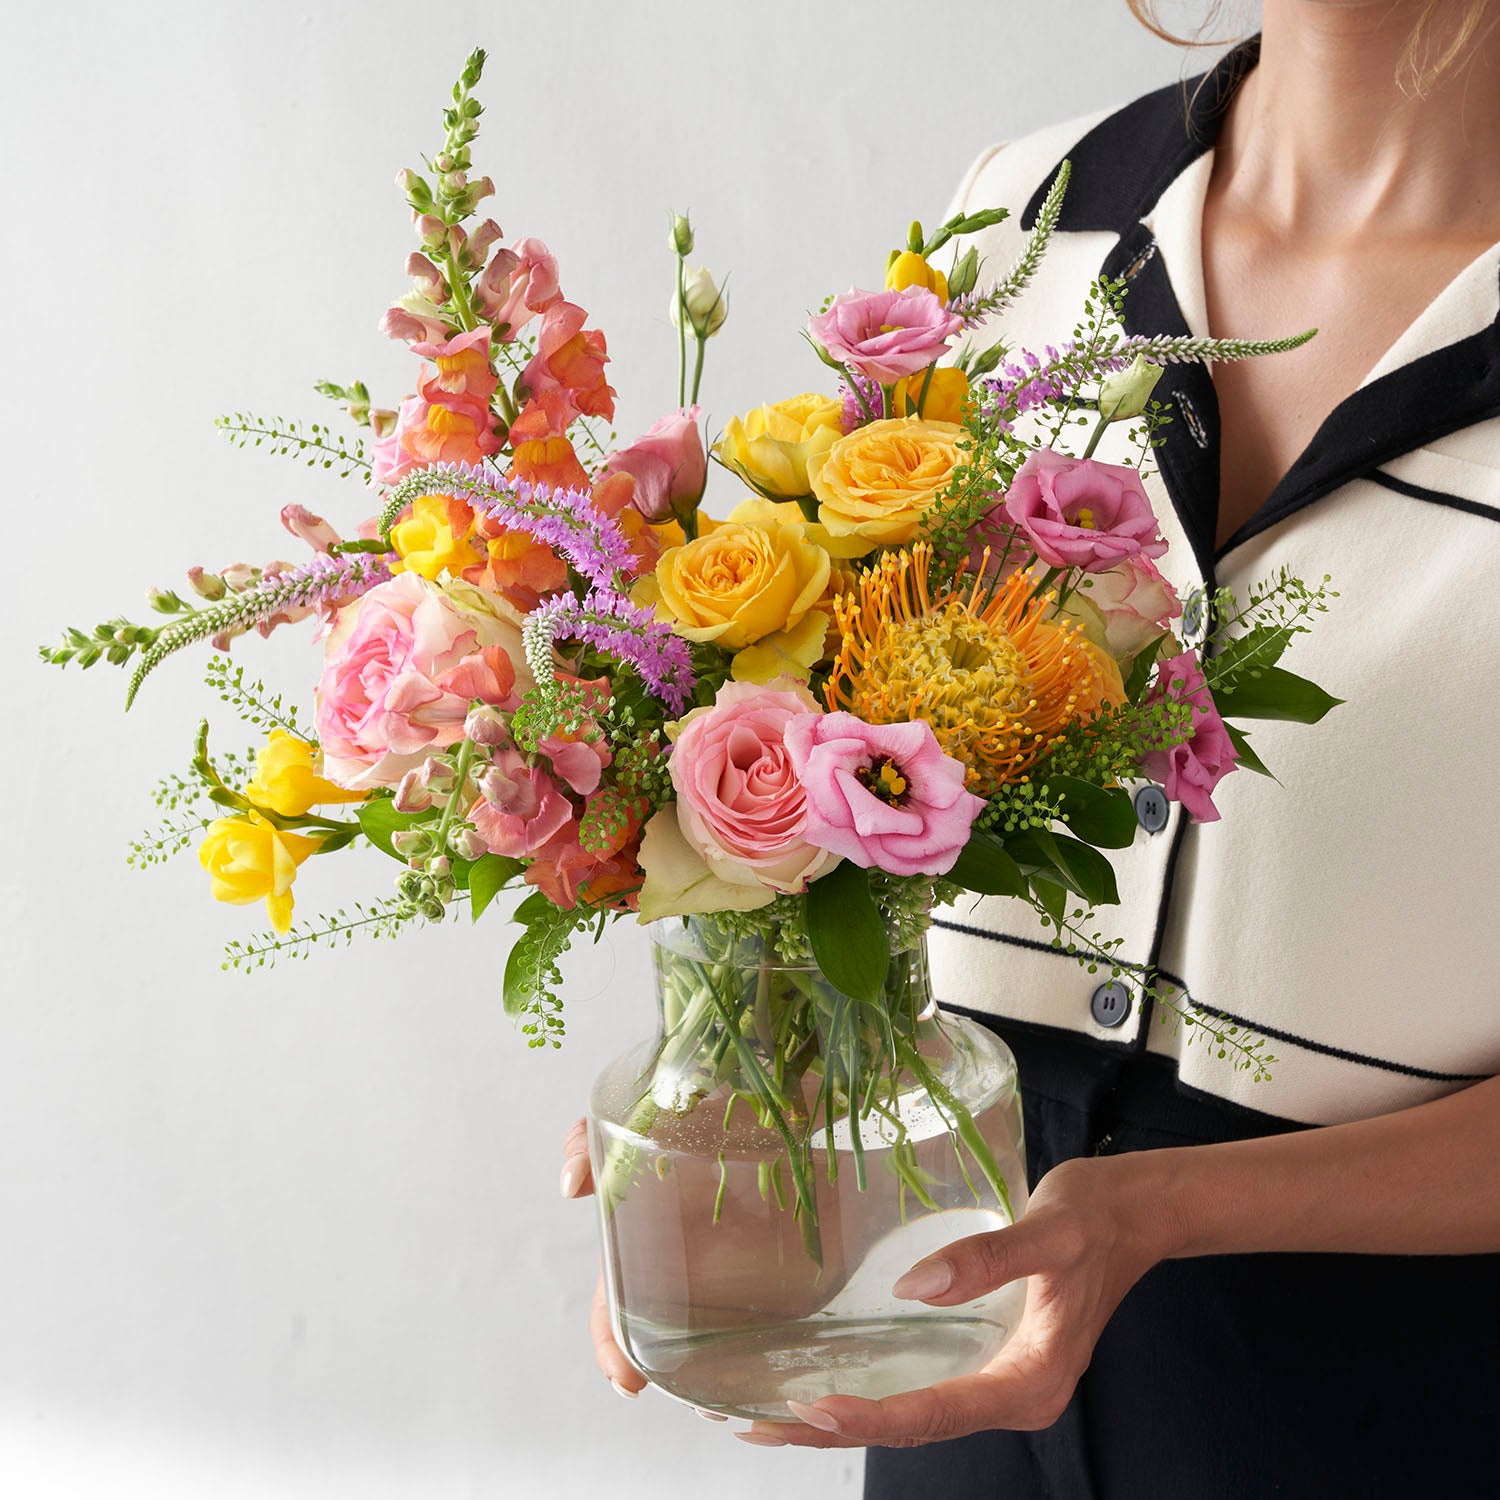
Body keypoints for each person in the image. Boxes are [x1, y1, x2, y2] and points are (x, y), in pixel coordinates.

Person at [562, 3, 1500, 1493]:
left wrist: (1154, 1214)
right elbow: (853, 717)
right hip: (957, 1322)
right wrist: (747, 1045)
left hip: (1388, 1387)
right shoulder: (1025, 210)